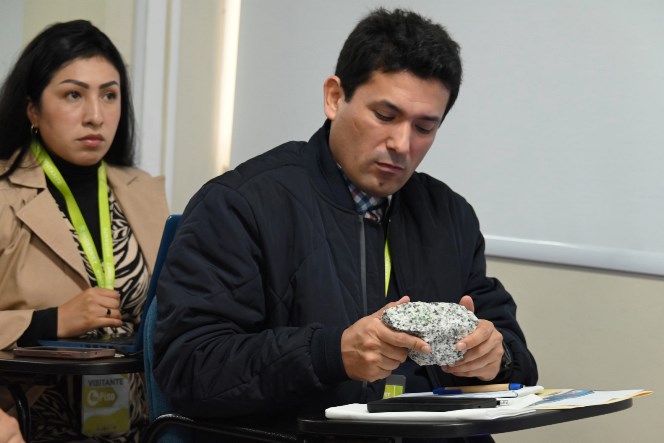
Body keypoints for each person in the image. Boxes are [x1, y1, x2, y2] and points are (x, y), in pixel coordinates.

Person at [154, 7, 537, 442]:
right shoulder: (240, 204)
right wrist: (331, 354)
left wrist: (495, 359)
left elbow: (517, 361)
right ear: (335, 98)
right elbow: (189, 367)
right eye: (385, 116)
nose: (402, 144)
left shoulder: (450, 216)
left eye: (424, 127)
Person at [0, 20, 168, 442]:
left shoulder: (144, 192)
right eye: (73, 95)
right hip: (28, 422)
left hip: (139, 424)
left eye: (109, 95)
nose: (95, 116)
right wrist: (49, 321)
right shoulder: (3, 195)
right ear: (32, 108)